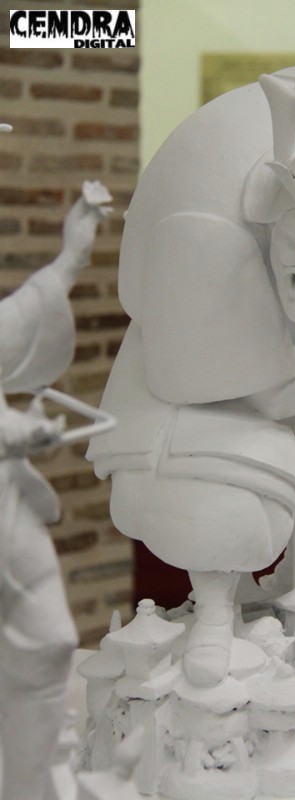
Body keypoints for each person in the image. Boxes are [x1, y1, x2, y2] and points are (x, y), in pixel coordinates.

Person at [88, 65, 295, 688]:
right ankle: (216, 606)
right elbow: (276, 397)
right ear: (270, 223)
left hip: (287, 342)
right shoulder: (204, 240)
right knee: (222, 504)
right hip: (197, 377)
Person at [0, 178, 110, 800]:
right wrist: (14, 433)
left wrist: (72, 255)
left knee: (50, 643)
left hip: (9, 514)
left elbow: (16, 321)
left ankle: (29, 784)